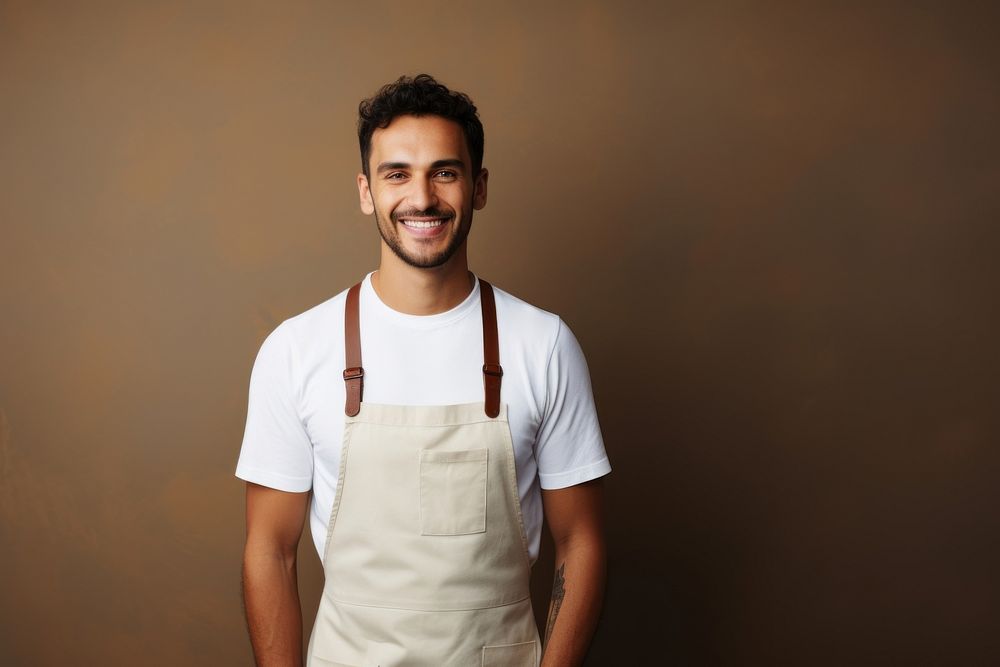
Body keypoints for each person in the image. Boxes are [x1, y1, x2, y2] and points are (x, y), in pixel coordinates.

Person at [236, 74, 611, 667]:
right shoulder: (296, 349)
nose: (422, 198)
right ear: (366, 191)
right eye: (396, 173)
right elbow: (269, 552)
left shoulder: (544, 344)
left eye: (445, 171)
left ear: (478, 186)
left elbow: (581, 544)